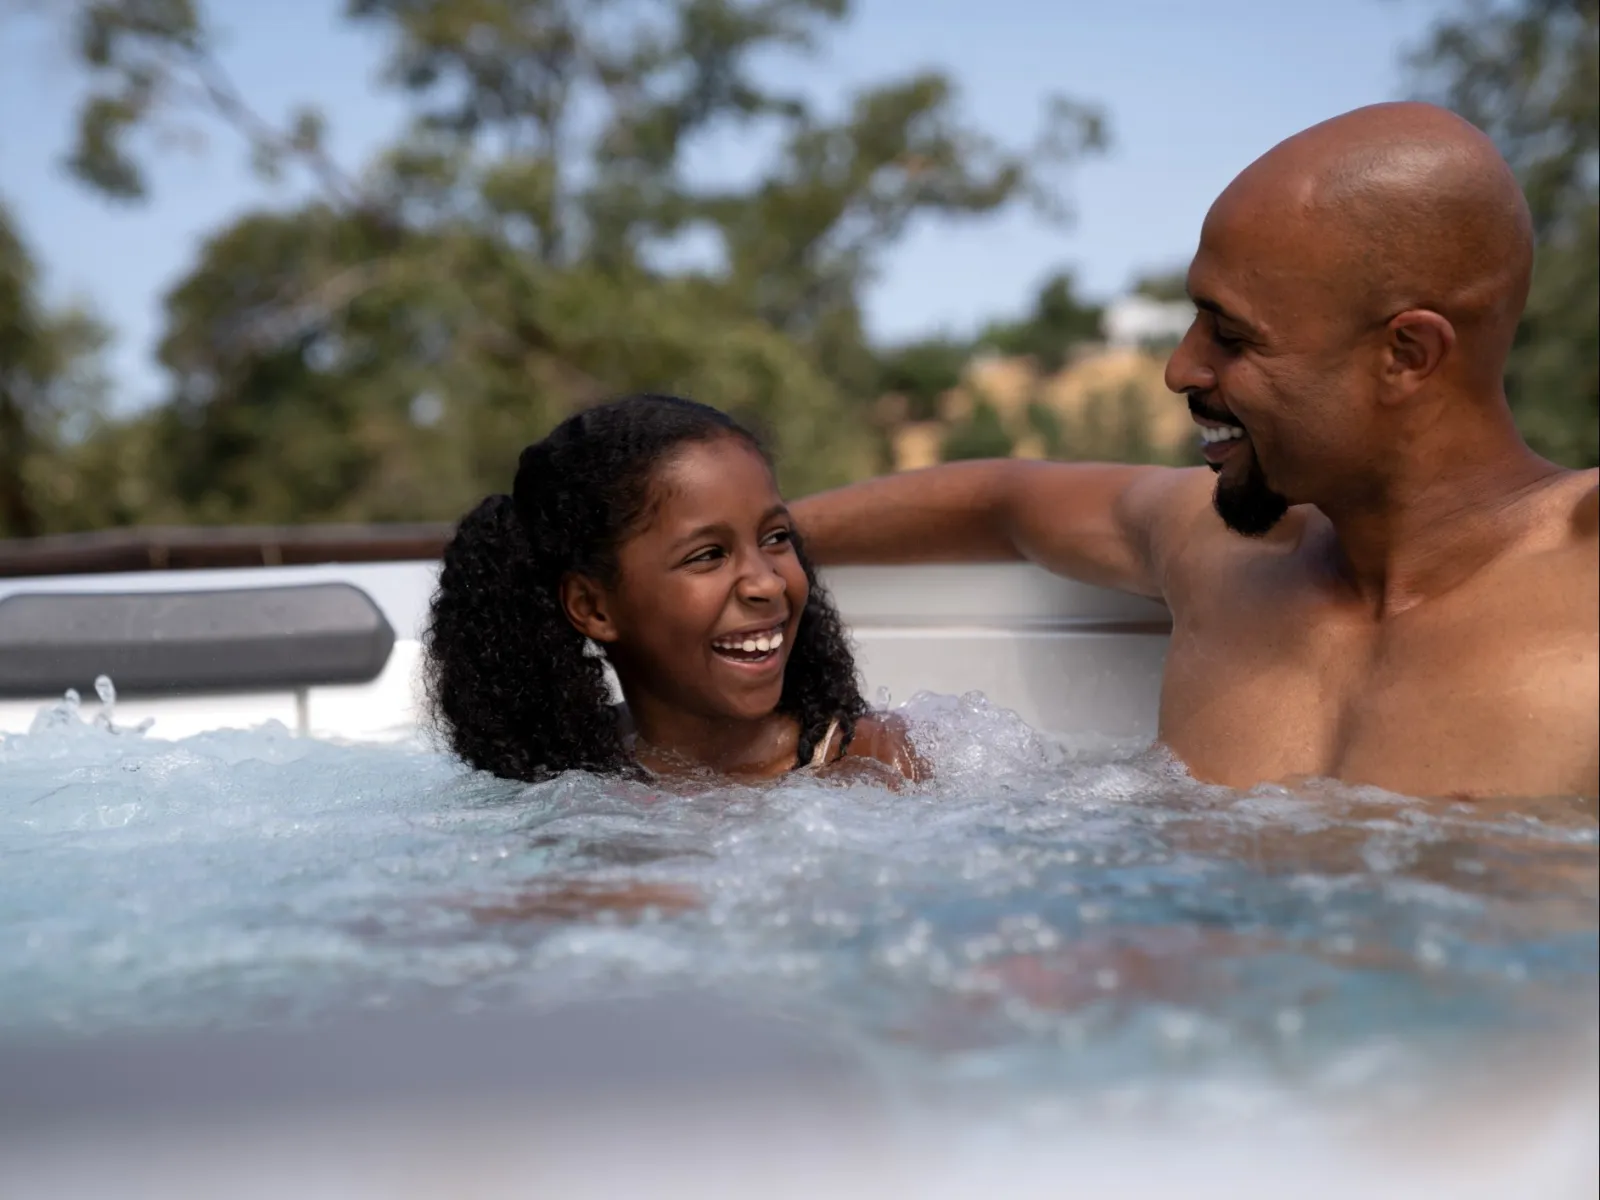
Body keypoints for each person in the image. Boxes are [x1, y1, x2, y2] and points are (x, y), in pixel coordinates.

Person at [792, 102, 1598, 801]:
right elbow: (1002, 500)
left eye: (1233, 335)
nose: (1181, 368)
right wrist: (725, 550)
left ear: (1408, 355)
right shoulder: (1223, 555)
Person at [426, 393, 920, 785]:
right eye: (708, 555)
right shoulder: (571, 784)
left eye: (776, 537)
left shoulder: (868, 767)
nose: (767, 581)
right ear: (593, 607)